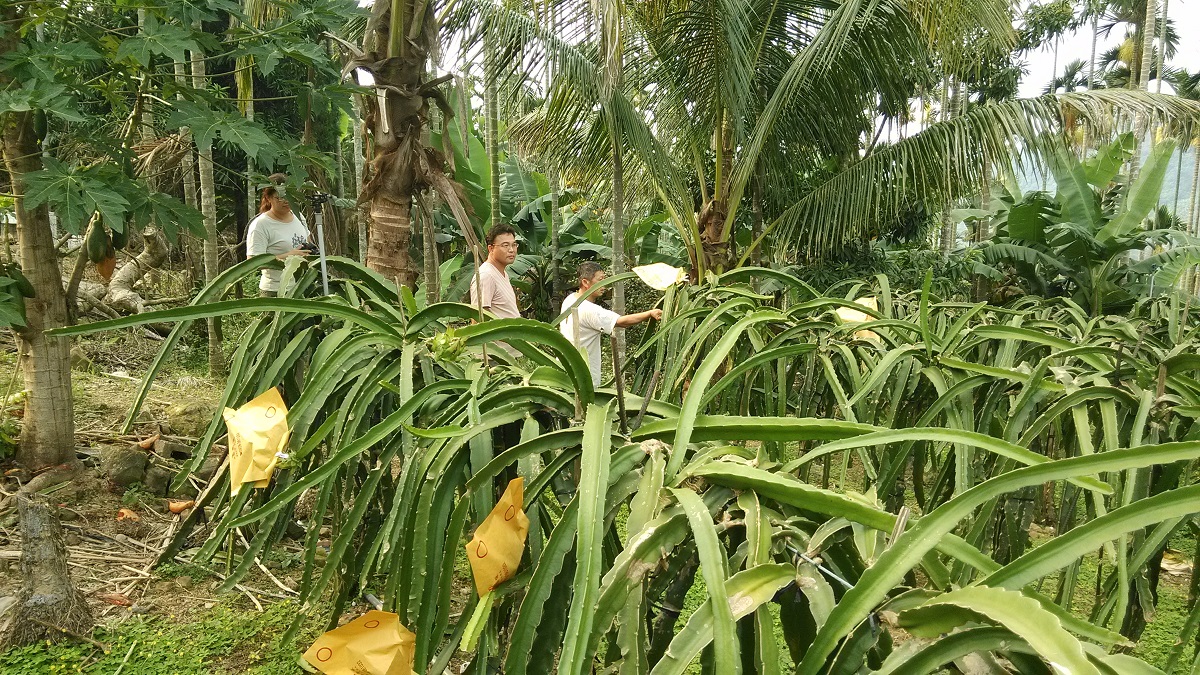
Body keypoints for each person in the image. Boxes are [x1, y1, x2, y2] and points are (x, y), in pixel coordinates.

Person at [560, 261, 662, 387]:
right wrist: (650, 313)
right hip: (585, 379)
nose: (604, 284)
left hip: (566, 370)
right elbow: (622, 322)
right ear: (585, 282)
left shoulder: (570, 300)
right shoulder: (588, 309)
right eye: (600, 280)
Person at [246, 174, 312, 297]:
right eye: (280, 197)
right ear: (268, 198)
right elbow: (252, 262)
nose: (286, 201)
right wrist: (289, 256)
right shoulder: (260, 225)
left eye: (289, 196)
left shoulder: (299, 216)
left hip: (302, 287)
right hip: (275, 291)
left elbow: (307, 241)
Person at [469, 223, 521, 319]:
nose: (511, 250)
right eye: (505, 245)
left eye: (514, 245)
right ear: (491, 248)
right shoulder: (486, 276)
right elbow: (477, 317)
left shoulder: (502, 273)